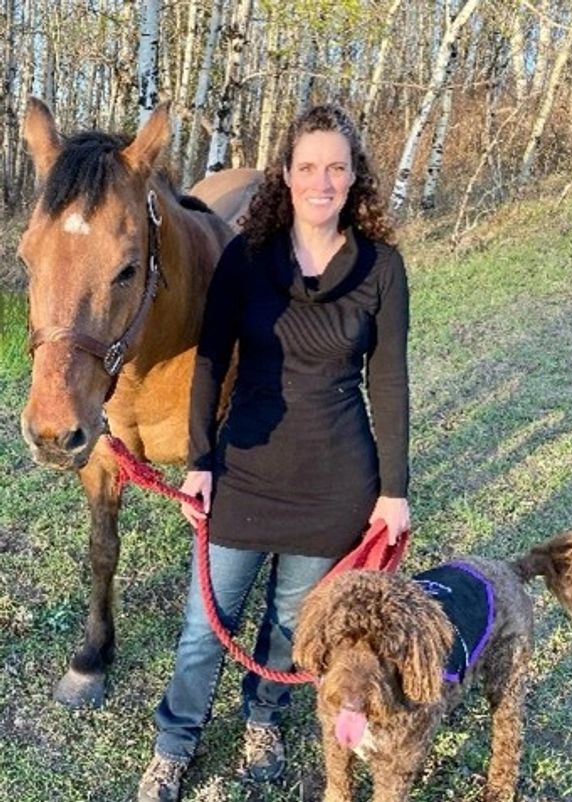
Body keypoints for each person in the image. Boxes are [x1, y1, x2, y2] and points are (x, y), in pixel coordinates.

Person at [138, 104, 410, 802]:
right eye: (309, 166)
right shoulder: (246, 258)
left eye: (337, 168)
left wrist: (394, 489)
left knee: (294, 626)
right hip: (245, 478)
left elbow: (389, 379)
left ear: (355, 179)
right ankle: (175, 743)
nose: (323, 181)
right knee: (206, 628)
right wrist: (199, 460)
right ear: (285, 175)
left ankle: (265, 719)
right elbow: (209, 363)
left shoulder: (382, 267)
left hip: (336, 486)